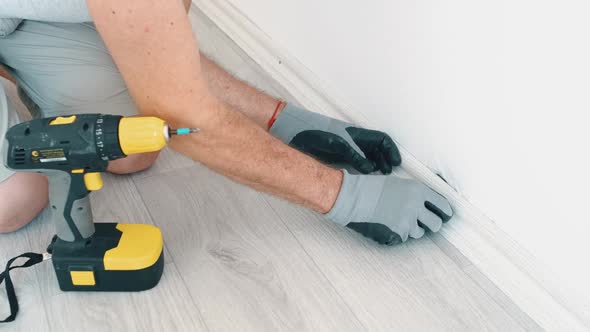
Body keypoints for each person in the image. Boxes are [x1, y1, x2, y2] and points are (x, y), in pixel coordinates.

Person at [0, 0, 453, 245]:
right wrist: (346, 198)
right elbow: (183, 116)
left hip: (34, 16)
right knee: (15, 202)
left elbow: (159, 56)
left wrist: (287, 122)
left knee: (130, 153)